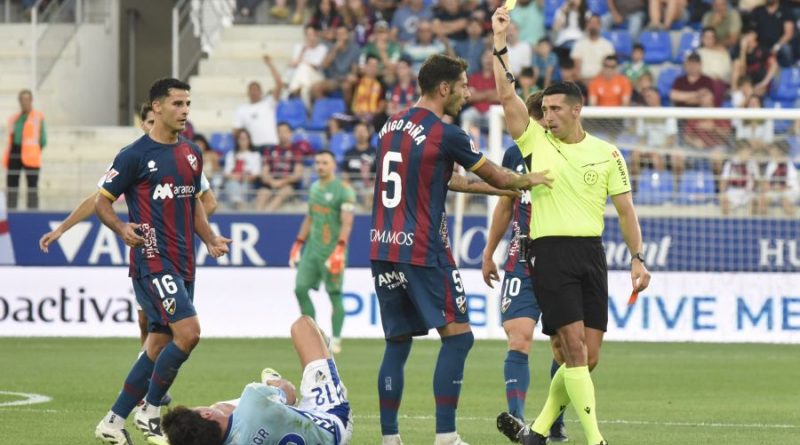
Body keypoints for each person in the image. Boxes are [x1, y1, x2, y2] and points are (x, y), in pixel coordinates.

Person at [371, 53, 553, 445]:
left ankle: (390, 438)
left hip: (383, 245)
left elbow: (451, 181)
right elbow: (496, 172)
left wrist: (504, 188)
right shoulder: (446, 132)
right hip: (423, 247)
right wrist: (529, 180)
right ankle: (447, 437)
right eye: (464, 85)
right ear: (444, 88)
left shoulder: (390, 127)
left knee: (397, 342)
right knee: (458, 338)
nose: (468, 93)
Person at [491, 8, 650, 445]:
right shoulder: (536, 141)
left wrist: (637, 258)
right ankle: (595, 439)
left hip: (592, 254)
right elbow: (507, 98)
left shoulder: (608, 153)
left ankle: (537, 432)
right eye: (544, 110)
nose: (547, 116)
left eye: (556, 109)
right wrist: (499, 41)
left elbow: (626, 211)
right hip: (550, 252)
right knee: (574, 349)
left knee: (585, 356)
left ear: (577, 110)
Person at [94, 78, 231, 445]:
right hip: (152, 260)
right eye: (177, 104)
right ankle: (151, 410)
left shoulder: (191, 153)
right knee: (189, 333)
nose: (185, 110)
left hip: (185, 260)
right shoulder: (134, 155)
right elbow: (101, 202)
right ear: (156, 108)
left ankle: (112, 420)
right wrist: (122, 227)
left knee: (158, 343)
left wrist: (212, 239)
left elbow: (194, 206)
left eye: (188, 104)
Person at [39, 103, 219, 347]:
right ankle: (147, 374)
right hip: (148, 253)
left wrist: (180, 224)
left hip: (176, 251)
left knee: (172, 327)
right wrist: (62, 228)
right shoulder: (133, 157)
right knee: (146, 320)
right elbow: (98, 200)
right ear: (144, 124)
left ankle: (149, 379)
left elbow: (207, 202)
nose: (151, 126)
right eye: (147, 123)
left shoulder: (184, 157)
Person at [480, 91, 569, 443]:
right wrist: (489, 252)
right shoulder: (514, 153)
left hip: (560, 260)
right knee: (519, 337)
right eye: (543, 115)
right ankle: (517, 422)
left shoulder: (567, 150)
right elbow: (505, 204)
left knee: (564, 347)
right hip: (520, 257)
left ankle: (553, 419)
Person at [161, 316, 352, 445]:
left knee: (225, 407)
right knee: (303, 325)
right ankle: (323, 353)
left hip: (292, 426)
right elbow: (290, 393)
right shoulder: (253, 397)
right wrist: (272, 383)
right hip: (332, 425)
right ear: (206, 415)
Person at [289, 150, 356, 355]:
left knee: (334, 293)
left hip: (333, 249)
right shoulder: (315, 188)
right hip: (312, 249)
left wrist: (340, 248)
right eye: (317, 162)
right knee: (300, 288)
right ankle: (315, 335)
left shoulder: (344, 190)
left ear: (333, 165)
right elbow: (310, 218)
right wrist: (298, 243)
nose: (320, 166)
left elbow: (347, 222)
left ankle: (336, 339)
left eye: (325, 162)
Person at [4, 89, 46, 209]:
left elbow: (43, 140)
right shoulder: (14, 118)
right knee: (12, 184)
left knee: (32, 186)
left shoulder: (38, 117)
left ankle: (32, 210)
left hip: (31, 155)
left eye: (27, 99)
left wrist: (35, 151)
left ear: (31, 101)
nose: (24, 102)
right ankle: (11, 209)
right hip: (15, 152)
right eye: (22, 100)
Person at [233, 56, 282, 151]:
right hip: (253, 148)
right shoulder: (241, 109)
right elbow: (236, 131)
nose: (254, 92)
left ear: (261, 91)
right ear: (247, 92)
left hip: (272, 145)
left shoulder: (269, 103)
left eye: (256, 90)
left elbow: (279, 84)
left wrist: (270, 65)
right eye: (251, 90)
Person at [255, 122, 307, 212]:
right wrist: (272, 181)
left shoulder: (296, 150)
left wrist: (281, 182)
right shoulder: (270, 150)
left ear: (290, 133)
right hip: (270, 184)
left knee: (283, 192)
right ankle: (257, 217)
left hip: (288, 185)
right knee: (262, 193)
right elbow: (264, 172)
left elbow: (297, 174)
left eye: (285, 132)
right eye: (279, 132)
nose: (282, 134)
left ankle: (266, 216)